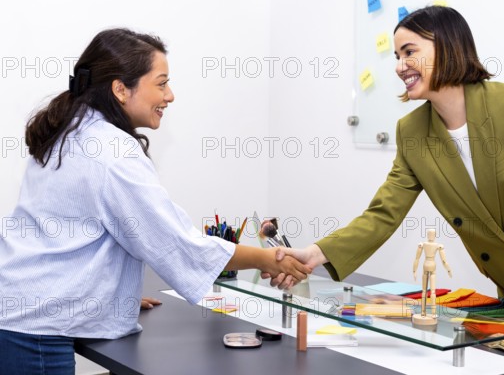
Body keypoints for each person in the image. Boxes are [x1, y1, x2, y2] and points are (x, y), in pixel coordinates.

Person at [0, 28, 310, 374]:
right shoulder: (111, 152)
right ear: (120, 89)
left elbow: (73, 233)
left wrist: (114, 297)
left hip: (21, 308)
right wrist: (268, 258)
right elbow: (173, 241)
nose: (171, 95)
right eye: (161, 83)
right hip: (35, 330)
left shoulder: (70, 130)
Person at [267, 6, 504, 326]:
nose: (400, 66)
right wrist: (316, 253)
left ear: (448, 48)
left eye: (409, 52)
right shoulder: (412, 133)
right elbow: (383, 214)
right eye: (396, 56)